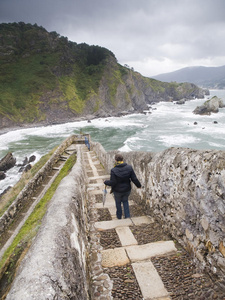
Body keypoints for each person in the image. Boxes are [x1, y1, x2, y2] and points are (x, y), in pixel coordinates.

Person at [104, 153, 141, 219]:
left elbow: (113, 182)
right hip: (127, 189)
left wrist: (106, 182)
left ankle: (119, 217)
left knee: (118, 203)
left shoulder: (113, 170)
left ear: (115, 160)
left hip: (117, 191)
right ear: (122, 159)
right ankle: (127, 216)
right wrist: (139, 186)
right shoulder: (129, 167)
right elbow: (134, 179)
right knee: (125, 201)